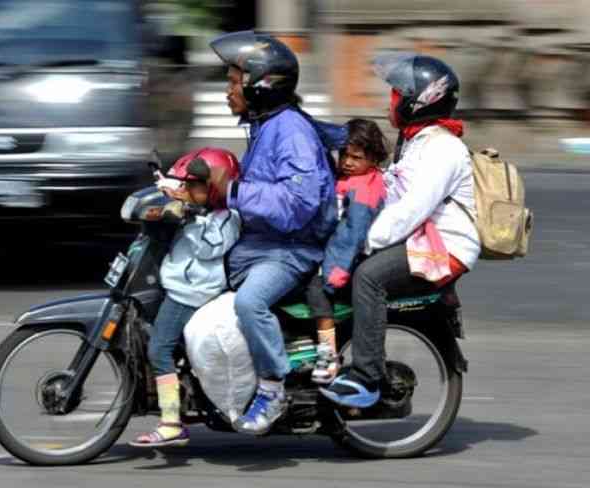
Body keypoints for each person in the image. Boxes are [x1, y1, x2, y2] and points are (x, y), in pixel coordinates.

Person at [321, 53, 480, 408]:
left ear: (420, 100)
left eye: (396, 94)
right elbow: (388, 194)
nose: (391, 101)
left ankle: (367, 377)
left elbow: (412, 209)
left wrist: (363, 242)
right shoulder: (416, 142)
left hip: (446, 246)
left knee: (368, 277)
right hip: (420, 239)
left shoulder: (443, 149)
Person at [203, 31, 339, 435]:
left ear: (260, 85)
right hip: (264, 244)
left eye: (233, 82)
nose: (228, 91)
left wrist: (231, 192)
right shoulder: (265, 126)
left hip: (291, 250)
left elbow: (297, 204)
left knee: (249, 303)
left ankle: (272, 387)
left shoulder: (290, 130)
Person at [130, 148, 241, 448]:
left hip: (190, 293)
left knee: (158, 350)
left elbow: (210, 248)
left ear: (216, 188)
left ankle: (170, 423)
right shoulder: (201, 208)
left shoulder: (227, 218)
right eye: (186, 185)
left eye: (195, 186)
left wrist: (189, 214)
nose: (187, 191)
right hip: (177, 285)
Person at [305, 118, 389, 385]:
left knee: (316, 290)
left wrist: (338, 270)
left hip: (348, 261)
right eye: (344, 155)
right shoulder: (348, 179)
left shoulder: (365, 188)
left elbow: (353, 235)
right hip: (334, 252)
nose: (348, 162)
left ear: (373, 159)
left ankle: (327, 354)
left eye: (356, 157)